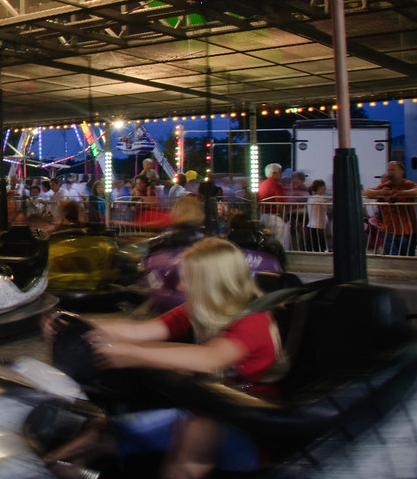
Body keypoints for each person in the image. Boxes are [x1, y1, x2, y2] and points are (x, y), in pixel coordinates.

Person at [43, 238, 282, 479]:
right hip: (203, 411)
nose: (179, 286)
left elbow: (211, 358)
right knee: (104, 428)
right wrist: (73, 322)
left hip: (247, 431)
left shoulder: (253, 320)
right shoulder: (201, 309)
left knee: (198, 430)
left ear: (212, 283)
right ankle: (48, 466)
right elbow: (141, 331)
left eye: (188, 279)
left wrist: (131, 354)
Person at [363, 161, 417, 256]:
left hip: (407, 230)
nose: (390, 172)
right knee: (391, 258)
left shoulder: (408, 184)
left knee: (408, 258)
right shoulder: (384, 186)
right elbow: (367, 193)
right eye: (389, 170)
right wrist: (380, 192)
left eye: (393, 170)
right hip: (389, 230)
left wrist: (399, 193)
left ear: (401, 171)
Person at [305, 179, 330, 252]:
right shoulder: (319, 198)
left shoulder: (310, 198)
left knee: (312, 245)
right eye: (324, 186)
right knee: (320, 246)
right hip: (318, 225)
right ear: (320, 187)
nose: (325, 188)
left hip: (311, 224)